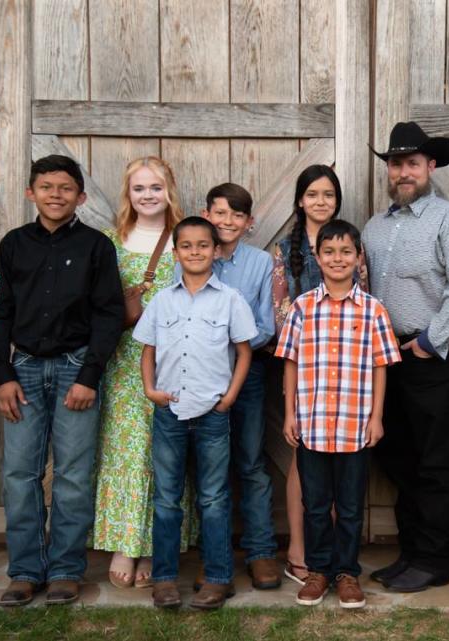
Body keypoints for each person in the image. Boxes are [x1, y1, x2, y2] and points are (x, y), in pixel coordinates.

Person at [0, 154, 124, 607]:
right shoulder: (14, 244)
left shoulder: (96, 247)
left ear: (80, 196)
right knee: (20, 474)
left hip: (74, 371)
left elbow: (108, 316)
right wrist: (1, 373)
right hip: (22, 370)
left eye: (66, 188)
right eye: (46, 187)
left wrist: (89, 376)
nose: (56, 195)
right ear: (31, 193)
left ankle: (65, 568)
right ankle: (25, 570)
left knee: (72, 476)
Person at [364, 121, 449, 592]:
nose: (404, 172)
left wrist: (430, 340)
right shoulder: (375, 227)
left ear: (430, 166)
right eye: (396, 164)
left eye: (413, 163)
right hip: (387, 359)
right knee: (399, 458)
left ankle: (434, 560)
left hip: (432, 356)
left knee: (436, 462)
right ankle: (411, 552)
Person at [276, 219, 401, 609]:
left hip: (354, 426)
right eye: (329, 251)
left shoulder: (374, 311)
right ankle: (319, 571)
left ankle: (346, 572)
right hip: (311, 425)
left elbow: (381, 365)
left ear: (358, 257)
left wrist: (376, 416)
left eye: (346, 251)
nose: (337, 258)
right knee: (315, 504)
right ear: (317, 256)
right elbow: (291, 363)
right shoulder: (302, 307)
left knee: (348, 507)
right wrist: (290, 414)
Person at [134, 216, 257, 610]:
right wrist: (150, 389)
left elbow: (244, 351)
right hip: (169, 411)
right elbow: (148, 348)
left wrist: (229, 397)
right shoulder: (161, 299)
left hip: (213, 413)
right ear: (176, 253)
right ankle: (165, 579)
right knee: (167, 498)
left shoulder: (229, 299)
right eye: (186, 246)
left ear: (215, 251)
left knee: (214, 498)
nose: (195, 252)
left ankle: (218, 578)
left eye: (203, 245)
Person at [92, 156, 194, 590]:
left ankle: (155, 544)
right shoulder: (109, 242)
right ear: (128, 194)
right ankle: (123, 543)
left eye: (156, 187)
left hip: (175, 363)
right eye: (139, 188)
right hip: (123, 363)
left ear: (168, 190)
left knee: (165, 455)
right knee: (125, 450)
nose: (148, 195)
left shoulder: (186, 239)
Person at [270, 164, 365, 585]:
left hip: (345, 373)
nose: (321, 201)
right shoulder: (284, 250)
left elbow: (367, 300)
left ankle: (332, 559)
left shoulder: (349, 245)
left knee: (338, 468)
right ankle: (300, 547)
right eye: (312, 194)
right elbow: (279, 310)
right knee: (302, 463)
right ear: (300, 200)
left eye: (329, 194)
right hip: (304, 368)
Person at [198, 183, 280, 589]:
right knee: (208, 467)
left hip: (247, 375)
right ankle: (213, 552)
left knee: (250, 462)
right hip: (199, 378)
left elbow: (267, 324)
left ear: (249, 223)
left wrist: (234, 346)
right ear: (206, 214)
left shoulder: (260, 263)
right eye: (220, 213)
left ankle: (261, 550)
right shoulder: (193, 257)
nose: (227, 222)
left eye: (236, 215)